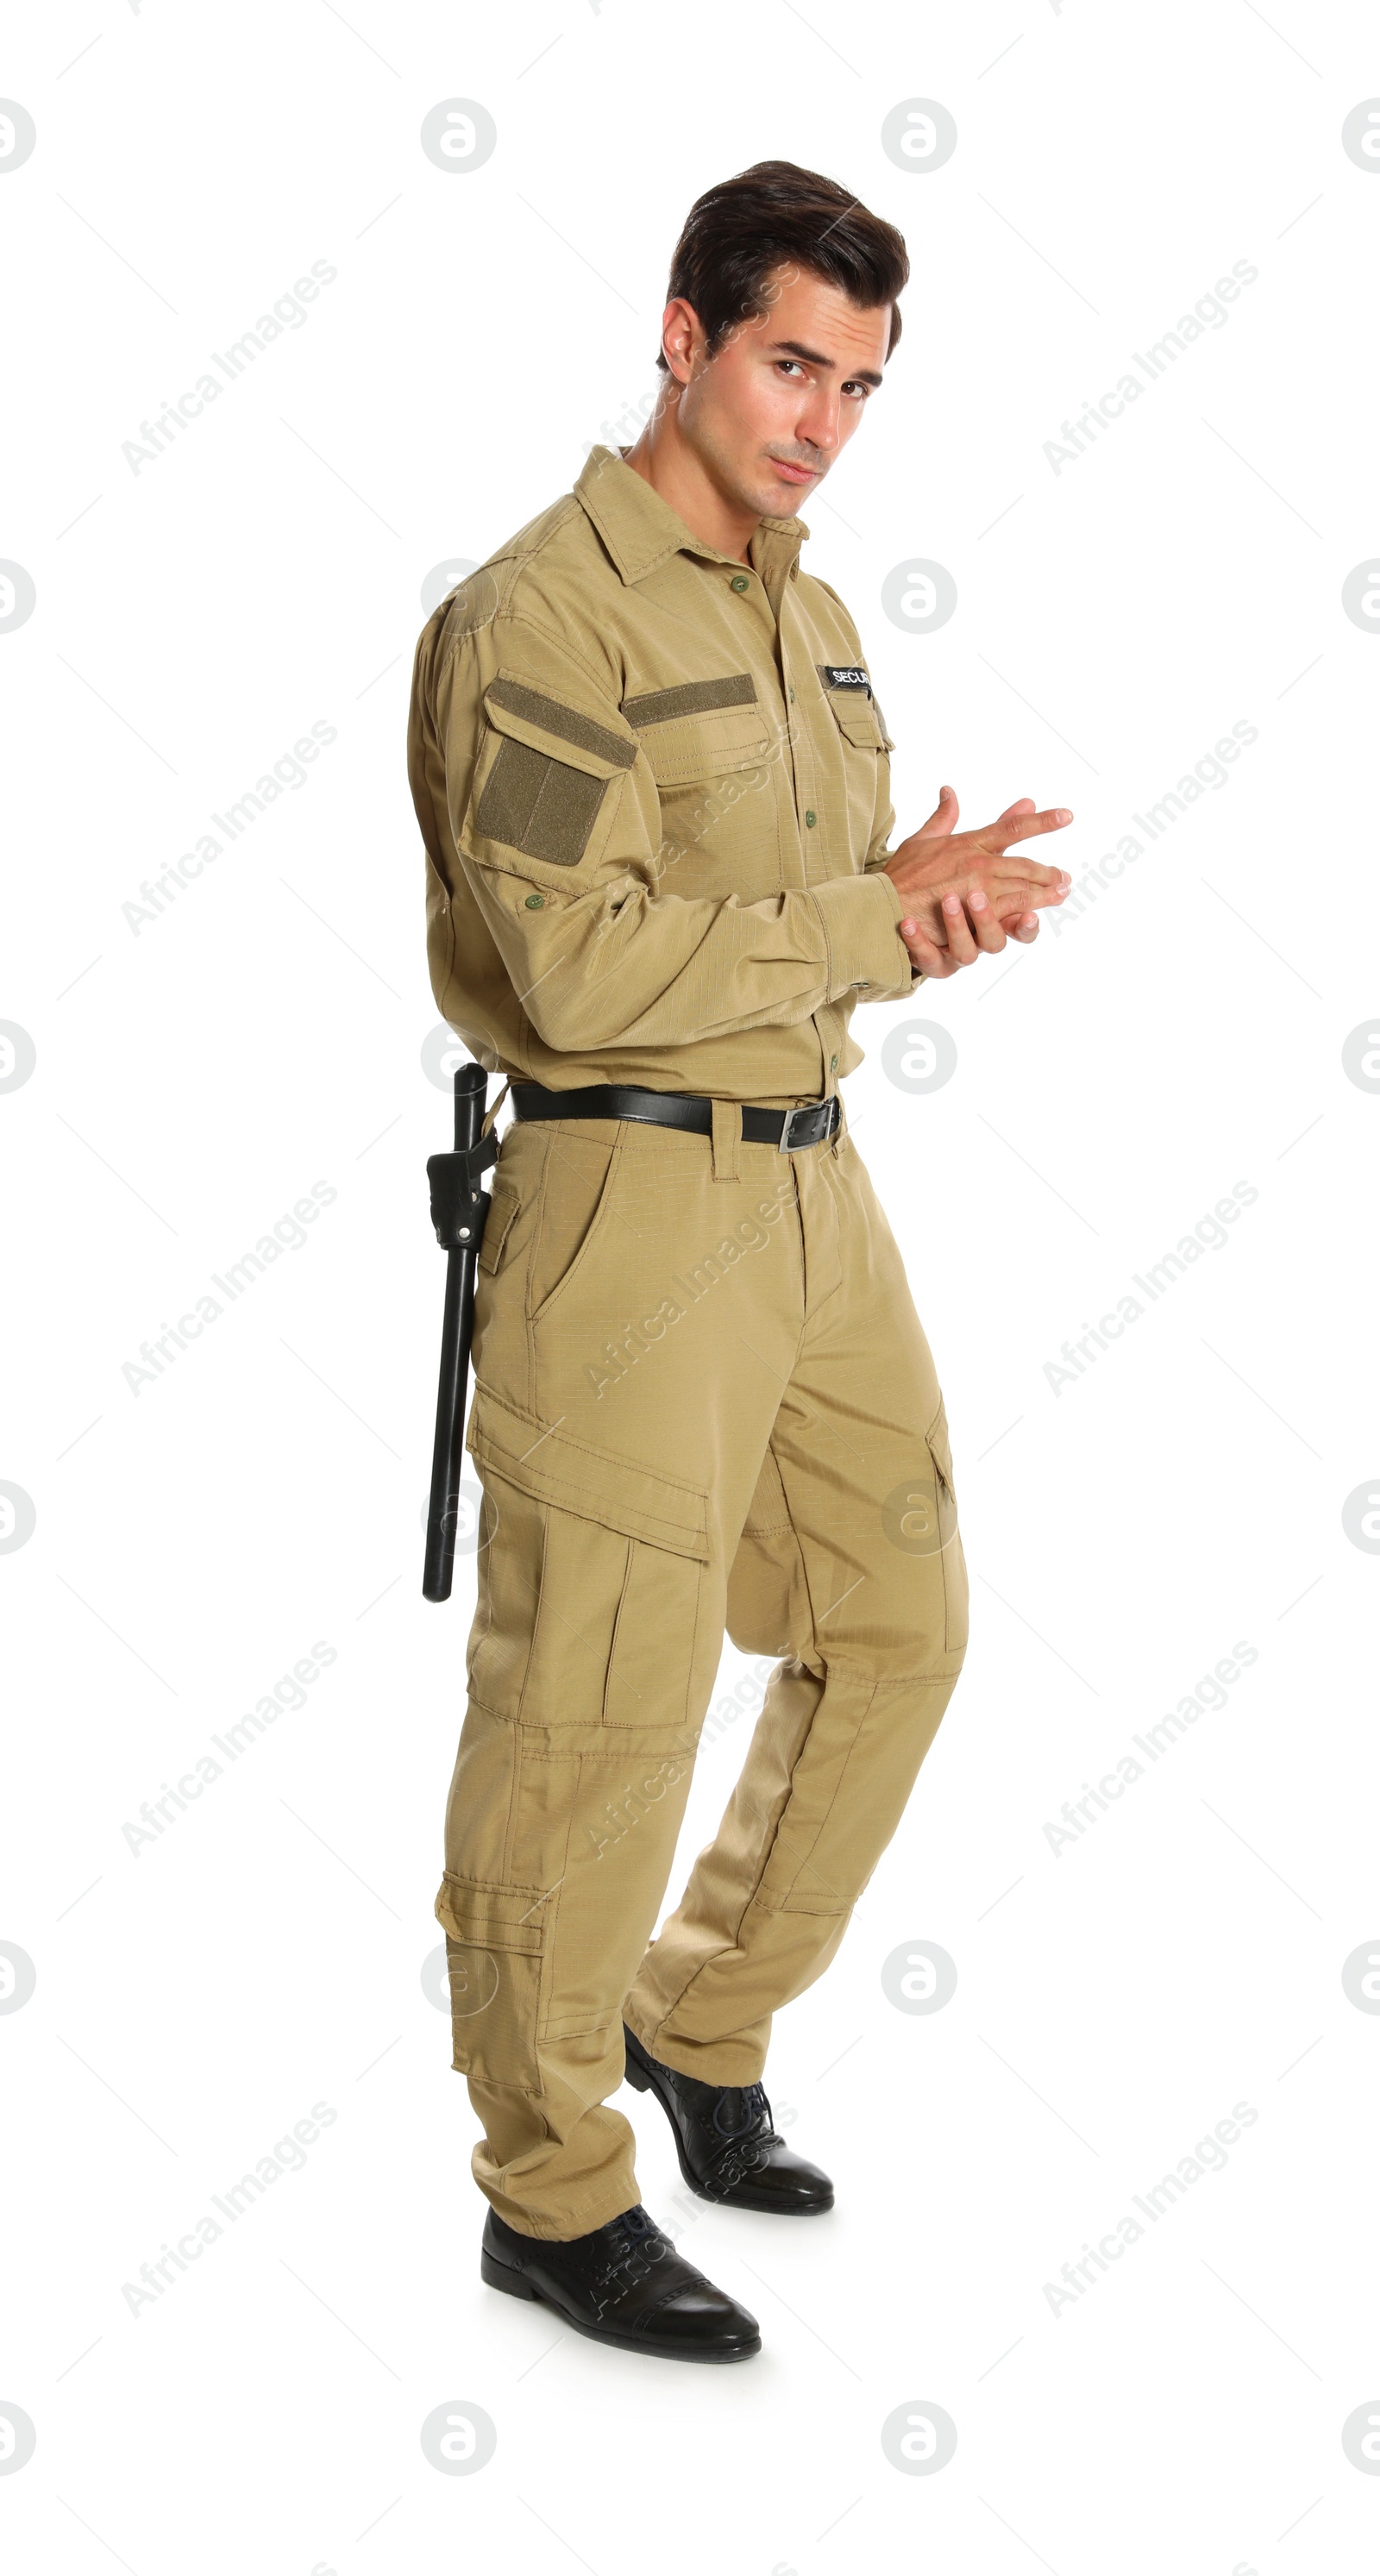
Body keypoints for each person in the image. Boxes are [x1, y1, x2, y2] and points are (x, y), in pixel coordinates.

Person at [406, 159, 1071, 2363]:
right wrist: (865, 922)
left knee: (897, 1614)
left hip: (809, 1179)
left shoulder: (800, 608)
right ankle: (548, 2184)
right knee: (595, 1704)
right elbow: (583, 978)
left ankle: (702, 2019)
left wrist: (914, 910)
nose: (818, 421)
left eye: (859, 386)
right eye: (790, 362)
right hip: (623, 1208)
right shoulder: (539, 619)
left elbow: (783, 935)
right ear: (681, 336)